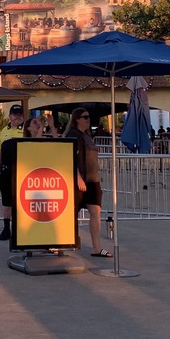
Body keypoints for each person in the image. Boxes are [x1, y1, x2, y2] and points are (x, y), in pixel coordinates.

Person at [63, 107, 109, 257]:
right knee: (71, 213)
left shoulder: (87, 136)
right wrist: (77, 177)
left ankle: (96, 248)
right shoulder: (74, 135)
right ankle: (63, 242)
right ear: (77, 119)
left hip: (93, 180)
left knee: (96, 211)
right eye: (85, 117)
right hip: (81, 179)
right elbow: (69, 156)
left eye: (89, 117)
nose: (88, 120)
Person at [0, 104, 26, 241]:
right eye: (15, 114)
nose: (18, 116)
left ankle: (20, 228)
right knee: (6, 201)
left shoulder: (26, 129)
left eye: (20, 114)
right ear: (10, 116)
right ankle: (6, 228)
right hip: (6, 171)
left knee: (20, 200)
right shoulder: (4, 131)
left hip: (21, 171)